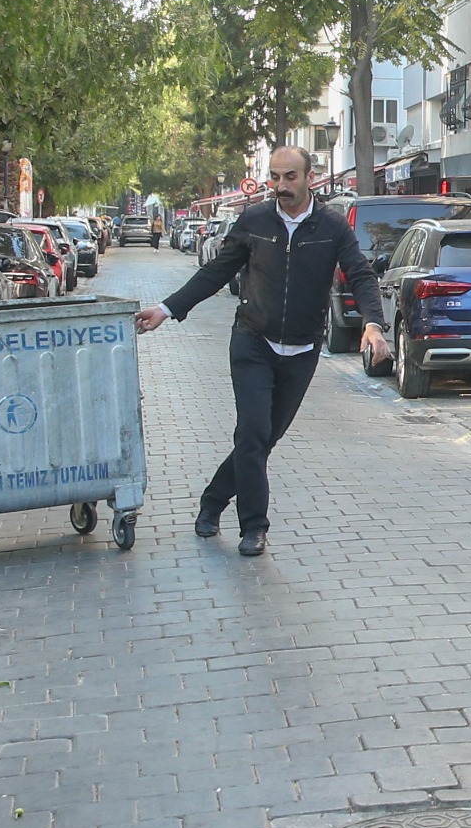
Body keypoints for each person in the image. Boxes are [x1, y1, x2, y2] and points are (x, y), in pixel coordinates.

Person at [133, 146, 387, 557]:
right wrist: (166, 308)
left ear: (309, 179)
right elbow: (216, 272)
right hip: (253, 341)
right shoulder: (253, 221)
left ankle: (213, 500)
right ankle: (254, 527)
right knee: (251, 434)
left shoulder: (333, 227)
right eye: (275, 177)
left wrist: (373, 324)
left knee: (264, 440)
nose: (281, 186)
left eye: (289, 177)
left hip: (302, 350)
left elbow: (359, 274)